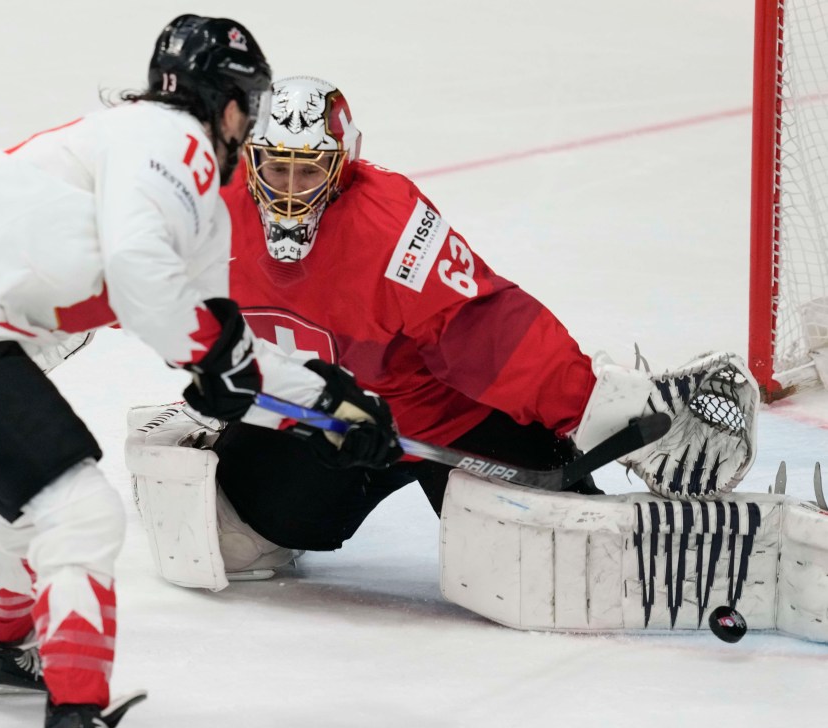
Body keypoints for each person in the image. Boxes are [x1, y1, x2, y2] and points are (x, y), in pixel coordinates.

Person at [0, 27, 400, 728]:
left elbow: (211, 332)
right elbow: (144, 273)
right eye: (251, 101)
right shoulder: (170, 140)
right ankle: (76, 725)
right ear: (228, 103)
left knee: (30, 496)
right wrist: (208, 354)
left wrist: (329, 403)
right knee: (79, 512)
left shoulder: (170, 166)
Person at [124, 75, 759, 589]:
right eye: (277, 168)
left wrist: (593, 406)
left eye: (309, 170)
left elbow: (489, 334)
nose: (290, 190)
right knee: (236, 540)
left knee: (546, 567)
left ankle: (560, 443)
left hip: (451, 420)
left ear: (342, 166)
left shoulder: (388, 228)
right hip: (328, 426)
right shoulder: (212, 209)